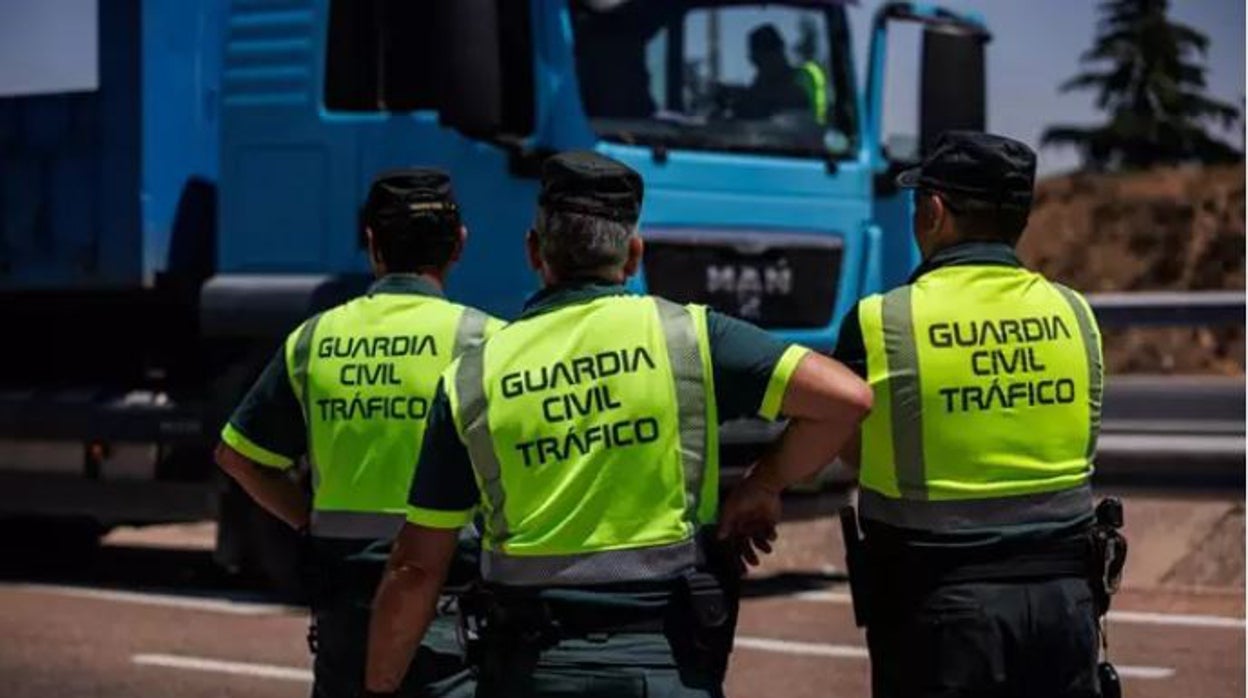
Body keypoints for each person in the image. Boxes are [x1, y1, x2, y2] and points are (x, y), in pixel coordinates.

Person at [363, 151, 872, 698]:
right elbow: (846, 398)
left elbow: (416, 568)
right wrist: (763, 484)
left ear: (535, 252)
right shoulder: (690, 336)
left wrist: (379, 687)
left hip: (531, 670)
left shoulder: (472, 376)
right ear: (633, 254)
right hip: (667, 667)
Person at [832, 131, 1108, 698]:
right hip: (1066, 603)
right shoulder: (1075, 313)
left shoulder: (882, 320)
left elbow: (850, 446)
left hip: (940, 611)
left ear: (934, 211)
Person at [215, 169, 502, 698]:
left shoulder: (314, 338)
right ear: (459, 246)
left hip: (345, 608)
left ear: (371, 245)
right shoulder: (487, 341)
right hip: (449, 608)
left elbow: (238, 455)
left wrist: (309, 520)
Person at [735, 24, 817, 120]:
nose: (770, 58)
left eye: (772, 49)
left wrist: (752, 96)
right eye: (763, 53)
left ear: (782, 48)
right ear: (754, 60)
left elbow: (802, 99)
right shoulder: (755, 90)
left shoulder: (804, 78)